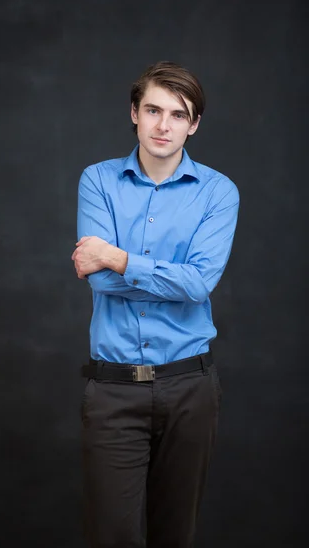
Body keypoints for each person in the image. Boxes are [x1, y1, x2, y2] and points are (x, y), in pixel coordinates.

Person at [71, 61, 239, 548]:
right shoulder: (98, 180)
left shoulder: (217, 192)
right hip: (113, 390)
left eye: (178, 114)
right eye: (152, 110)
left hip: (190, 387)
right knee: (111, 536)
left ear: (194, 123)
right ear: (134, 113)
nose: (164, 125)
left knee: (174, 536)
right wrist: (158, 273)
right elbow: (99, 281)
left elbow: (197, 285)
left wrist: (119, 257)